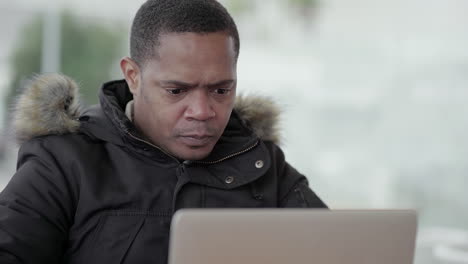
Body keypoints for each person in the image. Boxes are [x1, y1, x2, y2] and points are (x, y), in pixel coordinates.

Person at [0, 0, 327, 263]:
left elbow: (341, 247)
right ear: (133, 76)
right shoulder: (65, 161)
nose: (202, 112)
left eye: (221, 90)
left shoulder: (261, 164)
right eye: (176, 91)